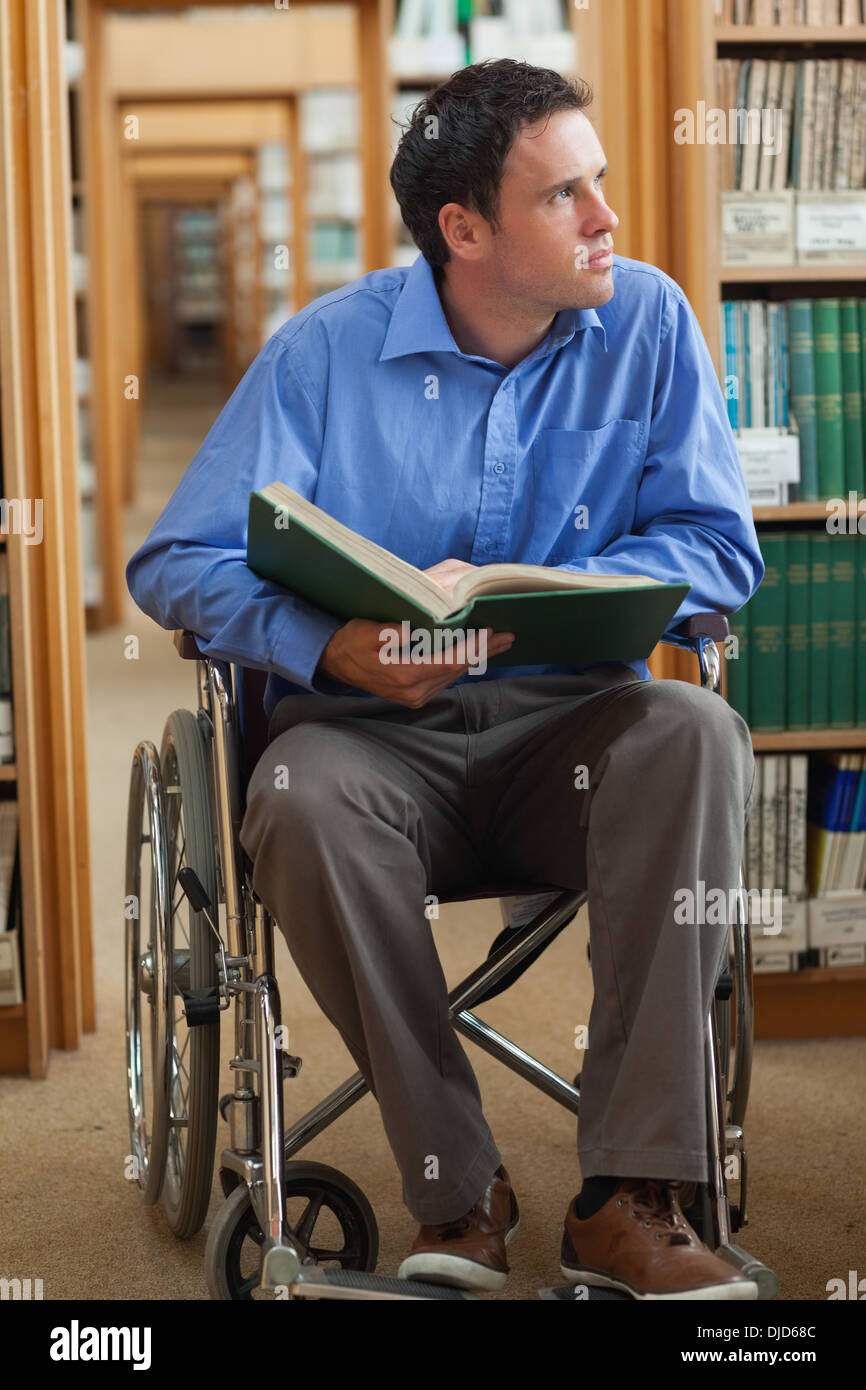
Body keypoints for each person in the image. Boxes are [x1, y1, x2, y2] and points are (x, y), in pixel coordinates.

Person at [127, 59, 764, 1300]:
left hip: (574, 726)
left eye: (598, 183)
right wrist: (326, 645)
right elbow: (176, 558)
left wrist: (560, 586)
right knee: (300, 796)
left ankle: (632, 1197)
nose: (605, 221)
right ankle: (456, 1189)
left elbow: (714, 544)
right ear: (464, 232)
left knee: (691, 732)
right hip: (367, 740)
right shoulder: (323, 352)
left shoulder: (646, 322)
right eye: (565, 195)